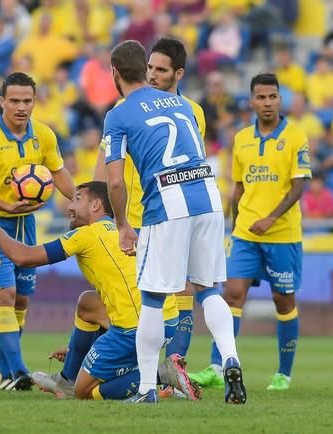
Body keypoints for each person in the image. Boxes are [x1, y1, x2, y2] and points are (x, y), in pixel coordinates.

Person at [104, 40, 245, 404]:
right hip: (209, 197)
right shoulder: (184, 103)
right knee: (209, 289)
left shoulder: (119, 114)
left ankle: (148, 388)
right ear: (144, 68)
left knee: (151, 297)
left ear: (115, 72)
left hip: (167, 204)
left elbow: (115, 181)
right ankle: (230, 357)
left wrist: (122, 224)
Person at [0, 181, 198, 401]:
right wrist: (76, 350)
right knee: (88, 303)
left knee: (83, 392)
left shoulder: (86, 235)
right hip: (166, 319)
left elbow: (23, 257)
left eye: (77, 199)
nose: (69, 206)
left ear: (96, 206)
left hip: (134, 328)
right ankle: (67, 378)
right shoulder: (127, 231)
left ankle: (160, 374)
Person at [94, 36, 207, 395]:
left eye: (161, 69)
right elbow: (105, 170)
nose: (155, 74)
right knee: (127, 295)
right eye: (152, 68)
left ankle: (168, 369)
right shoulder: (124, 110)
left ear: (177, 73)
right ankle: (155, 373)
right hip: (138, 215)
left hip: (160, 213)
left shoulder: (183, 109)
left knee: (167, 293)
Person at [190, 73, 311, 392]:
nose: (267, 102)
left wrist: (271, 218)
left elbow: (299, 186)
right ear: (252, 101)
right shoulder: (241, 139)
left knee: (282, 301)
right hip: (245, 234)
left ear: (279, 99)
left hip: (282, 235)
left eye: (273, 96)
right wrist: (227, 227)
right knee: (231, 294)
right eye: (261, 97)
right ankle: (219, 366)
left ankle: (283, 374)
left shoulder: (296, 136)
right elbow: (238, 188)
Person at [0, 72, 75, 391]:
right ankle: (19, 371)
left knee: (22, 301)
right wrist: (4, 205)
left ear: (34, 101)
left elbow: (59, 173)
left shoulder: (44, 136)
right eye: (14, 100)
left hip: (25, 224)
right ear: (2, 101)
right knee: (4, 295)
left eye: (27, 100)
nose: (21, 107)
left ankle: (1, 373)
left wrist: (82, 200)